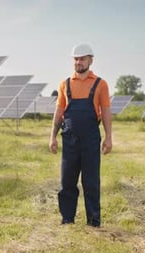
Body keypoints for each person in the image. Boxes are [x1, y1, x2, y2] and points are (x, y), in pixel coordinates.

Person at [49, 43, 112, 227]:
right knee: (67, 181)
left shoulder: (101, 84)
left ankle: (93, 220)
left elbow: (106, 112)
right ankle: (67, 218)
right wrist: (53, 136)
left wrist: (108, 137)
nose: (79, 62)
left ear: (90, 60)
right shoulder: (64, 84)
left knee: (91, 181)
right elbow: (59, 112)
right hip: (69, 140)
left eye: (82, 58)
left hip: (91, 139)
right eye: (76, 59)